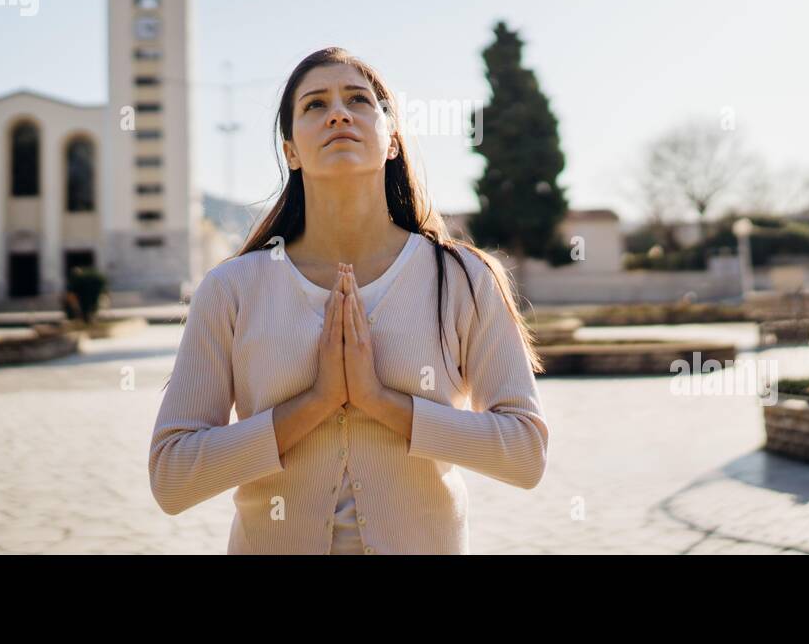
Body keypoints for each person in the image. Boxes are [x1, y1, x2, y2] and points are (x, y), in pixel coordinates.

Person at [149, 47, 549, 553]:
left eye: (359, 99)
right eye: (315, 105)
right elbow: (172, 475)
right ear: (291, 151)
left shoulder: (465, 278)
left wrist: (382, 403)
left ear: (391, 139)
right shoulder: (230, 290)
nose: (339, 112)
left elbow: (525, 453)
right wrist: (314, 403)